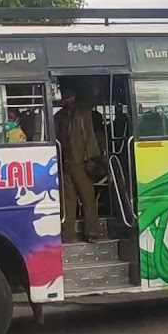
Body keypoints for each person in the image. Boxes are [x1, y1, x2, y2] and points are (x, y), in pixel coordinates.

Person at [56, 83, 104, 242]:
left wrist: (92, 158)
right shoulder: (60, 117)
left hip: (80, 161)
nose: (65, 100)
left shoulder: (83, 113)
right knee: (68, 200)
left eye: (67, 97)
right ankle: (68, 233)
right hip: (65, 161)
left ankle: (92, 232)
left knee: (87, 197)